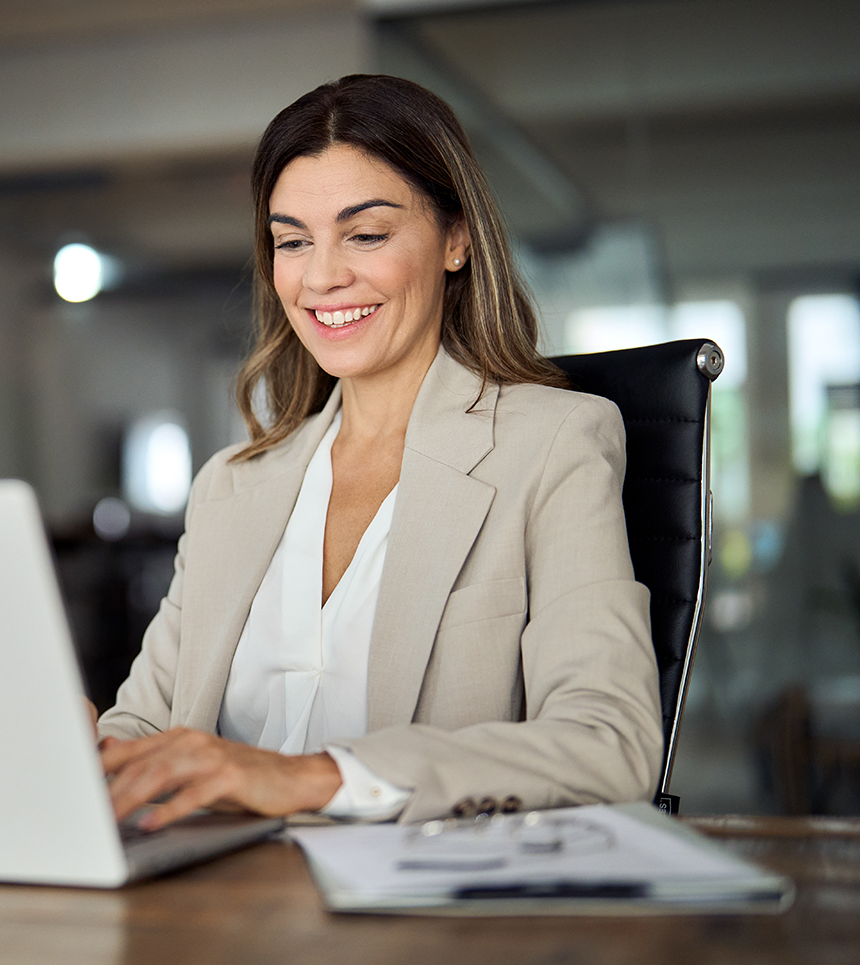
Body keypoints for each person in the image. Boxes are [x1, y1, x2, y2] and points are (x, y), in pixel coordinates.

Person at [96, 74, 663, 829]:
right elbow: (145, 731)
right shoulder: (231, 486)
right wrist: (83, 753)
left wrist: (313, 779)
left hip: (419, 920)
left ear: (455, 240)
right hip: (220, 907)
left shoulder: (553, 444)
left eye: (365, 234)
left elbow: (609, 744)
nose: (323, 276)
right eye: (293, 241)